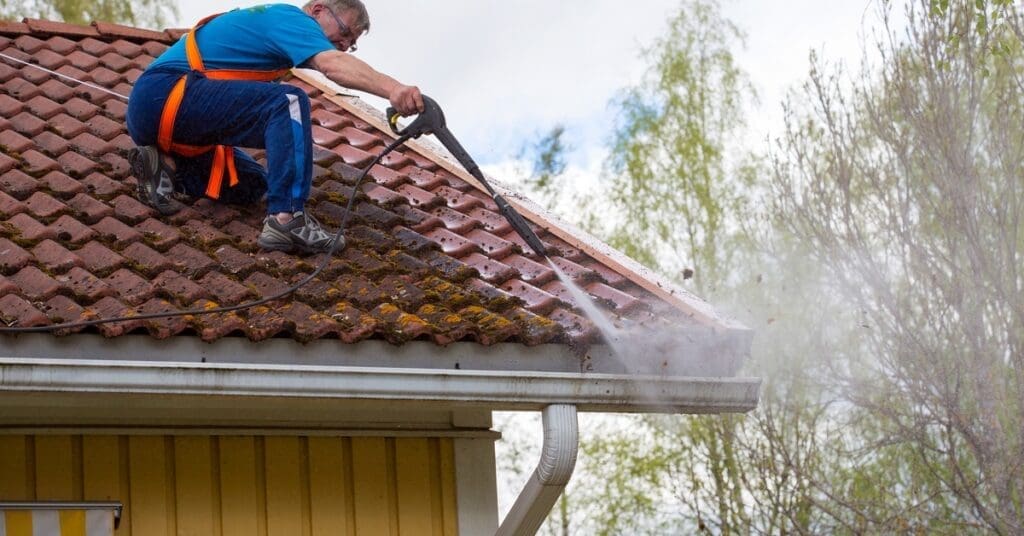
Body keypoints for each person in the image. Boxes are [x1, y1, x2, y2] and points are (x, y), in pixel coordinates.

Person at [126, 0, 423, 254]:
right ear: (318, 10)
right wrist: (393, 89)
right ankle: (287, 219)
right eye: (345, 33)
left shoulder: (271, 54)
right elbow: (332, 65)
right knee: (287, 102)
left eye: (351, 44)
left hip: (164, 120)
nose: (344, 46)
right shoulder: (289, 18)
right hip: (164, 93)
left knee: (253, 185)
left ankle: (164, 166)